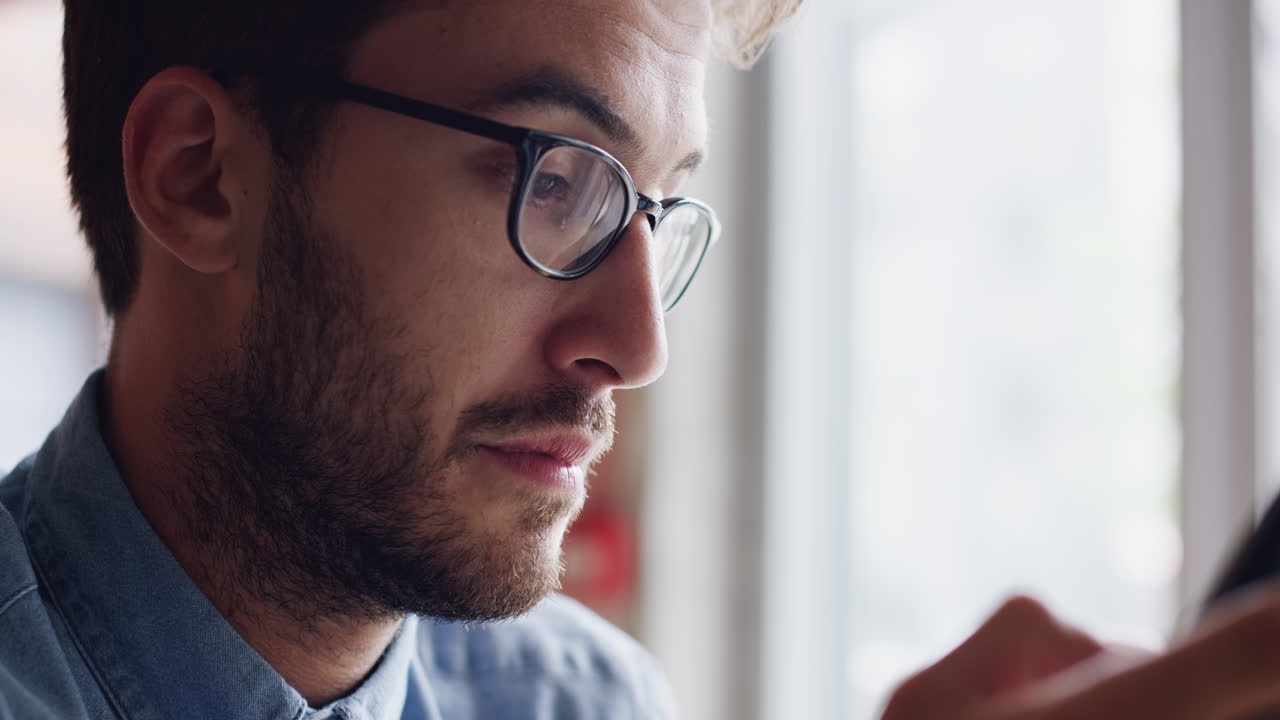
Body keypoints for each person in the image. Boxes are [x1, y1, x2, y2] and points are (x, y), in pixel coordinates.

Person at [6, 1, 1280, 719]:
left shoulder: (576, 699)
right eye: (554, 177)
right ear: (200, 175)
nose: (636, 346)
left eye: (656, 208)